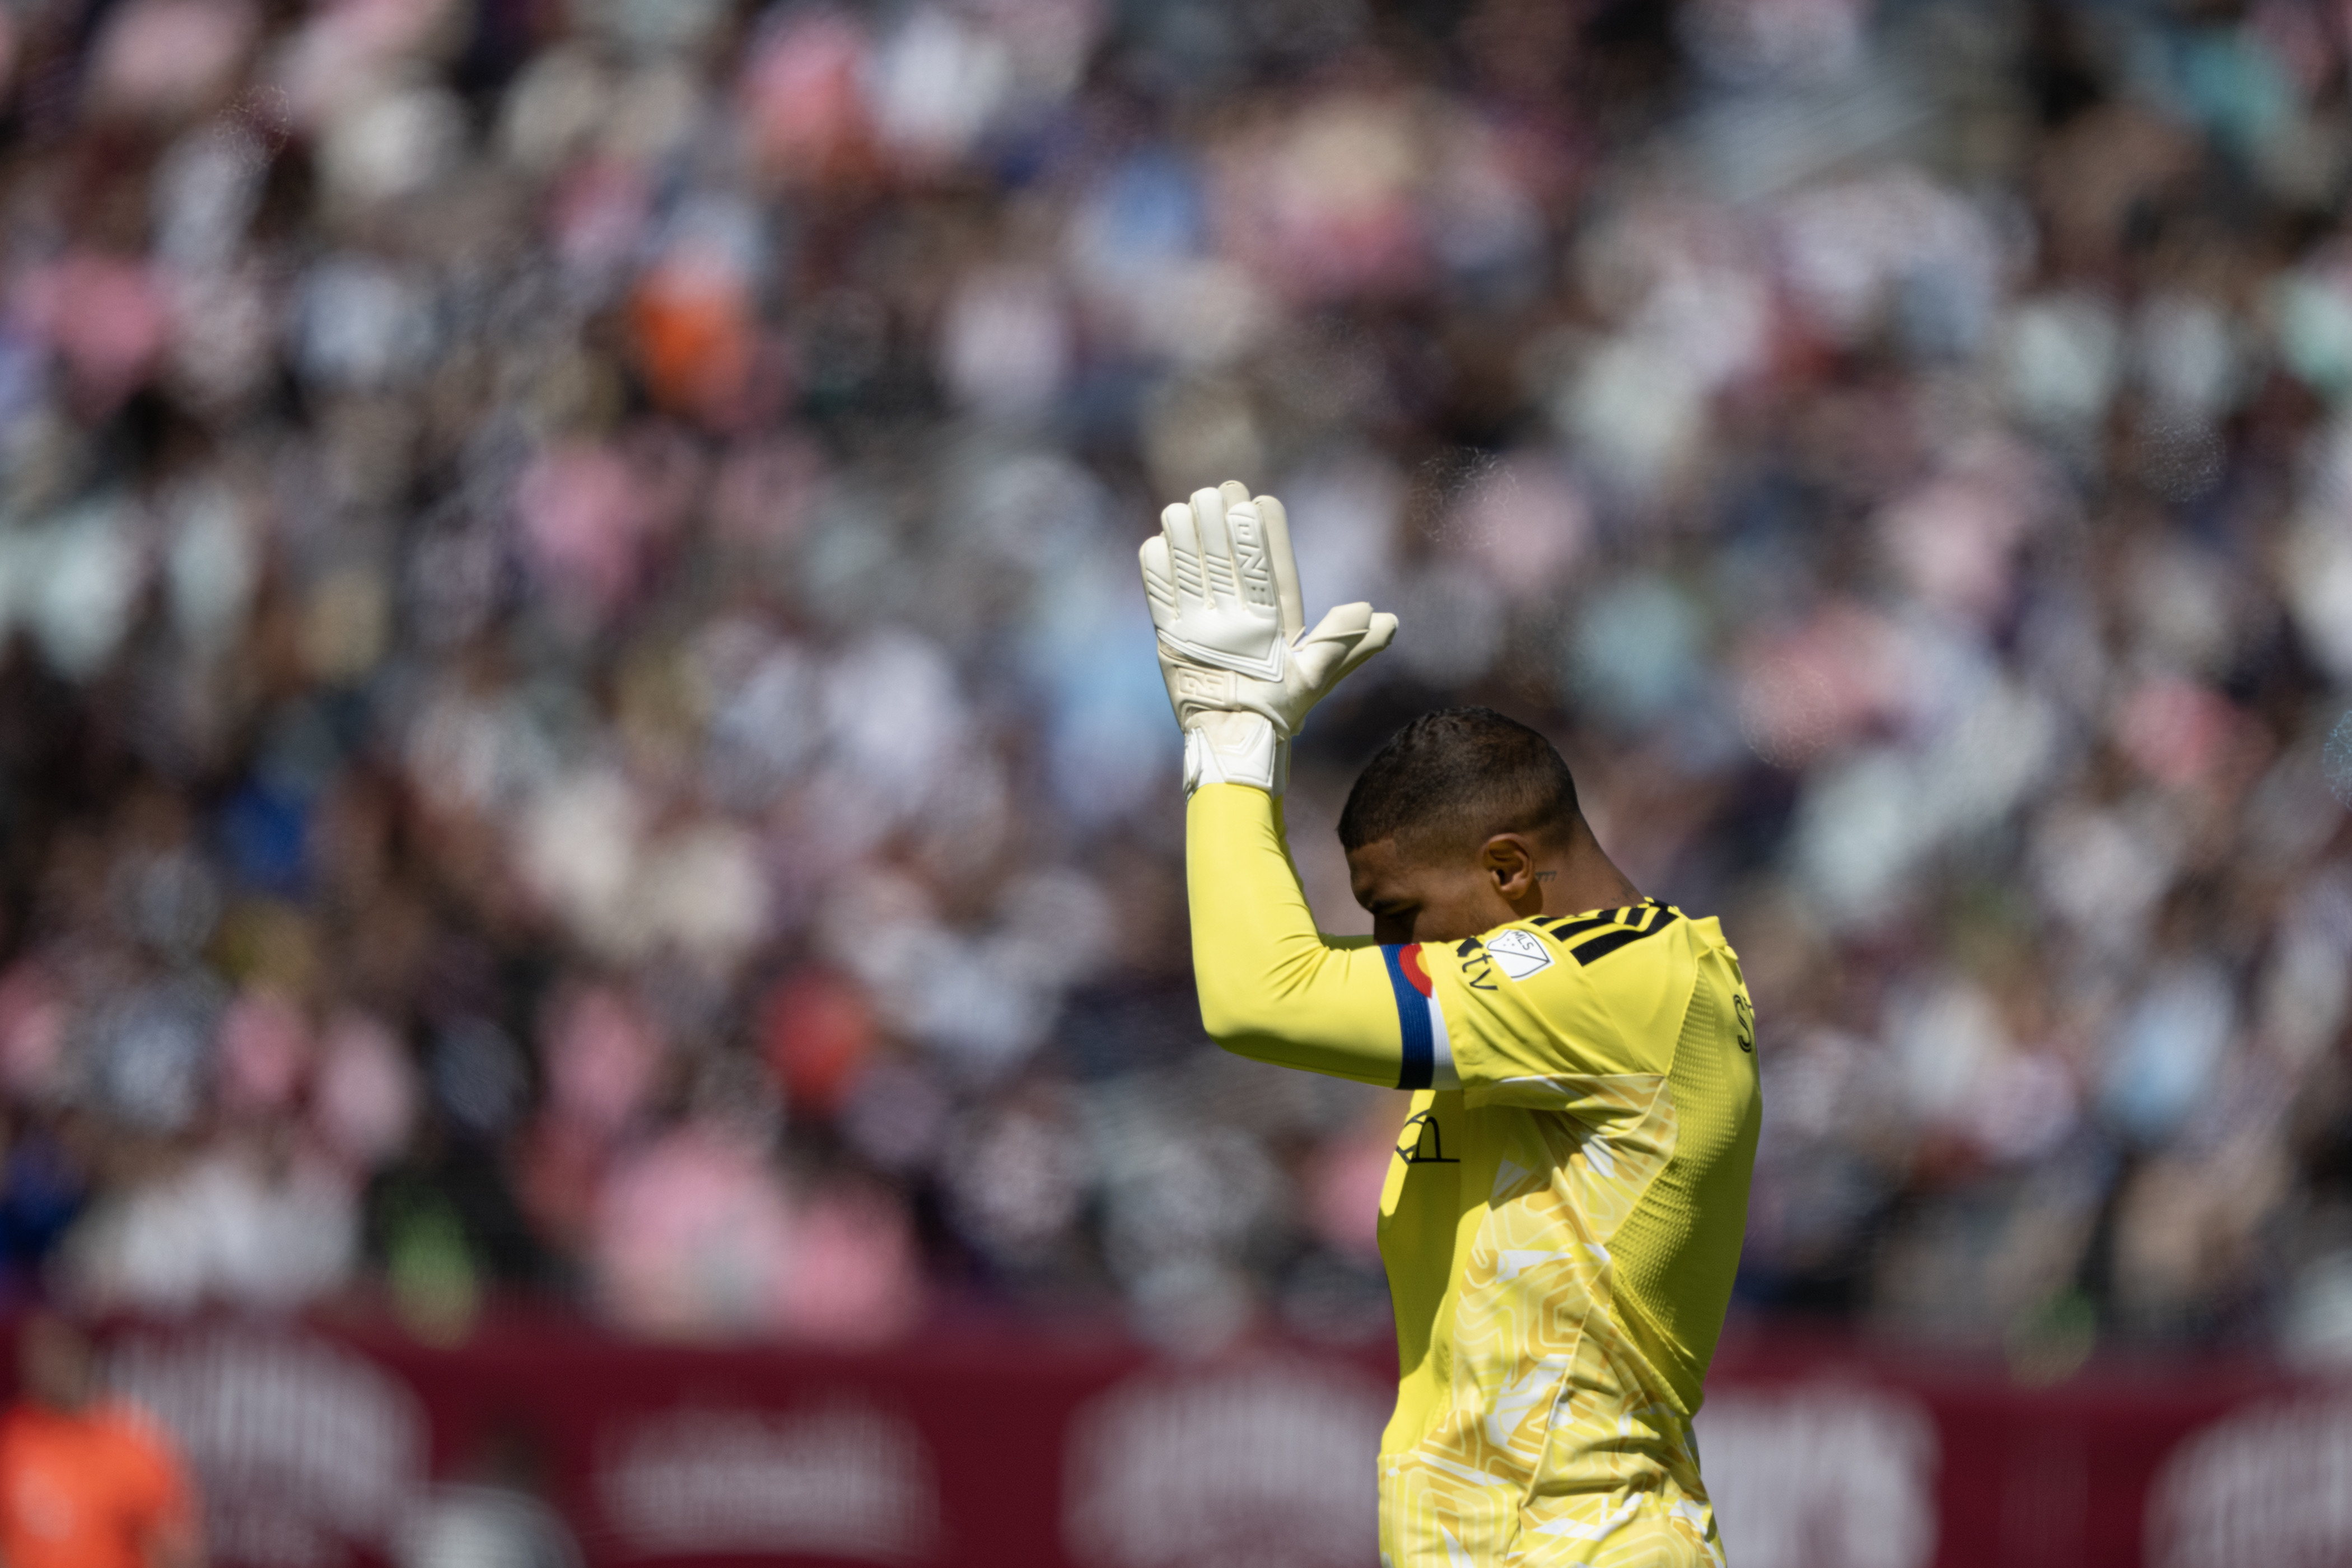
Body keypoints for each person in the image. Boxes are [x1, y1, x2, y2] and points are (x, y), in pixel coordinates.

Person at [1141, 483, 1761, 1565]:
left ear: (1511, 870)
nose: (1391, 950)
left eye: (1400, 916)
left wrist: (1234, 745)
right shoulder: (1534, 1012)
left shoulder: (1630, 982)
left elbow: (1260, 992)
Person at [0, 1312, 201, 1568]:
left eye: (58, 1354)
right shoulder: (12, 1438)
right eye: (36, 1356)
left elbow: (174, 1548)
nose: (45, 1367)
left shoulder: (131, 1443)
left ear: (83, 1354)